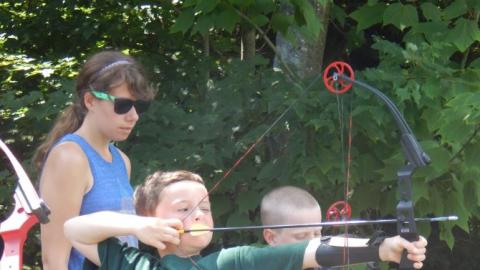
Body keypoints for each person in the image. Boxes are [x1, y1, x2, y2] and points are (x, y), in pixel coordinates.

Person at [63, 170, 428, 270]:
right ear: (150, 216)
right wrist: (135, 227)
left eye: (204, 206)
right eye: (183, 208)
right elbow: (72, 229)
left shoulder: (229, 262)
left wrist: (383, 248)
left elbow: (313, 249)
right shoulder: (134, 264)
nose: (200, 214)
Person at [34, 50, 155, 270]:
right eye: (123, 105)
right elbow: (54, 261)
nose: (134, 116)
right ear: (90, 100)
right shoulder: (69, 157)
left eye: (140, 106)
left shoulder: (122, 160)